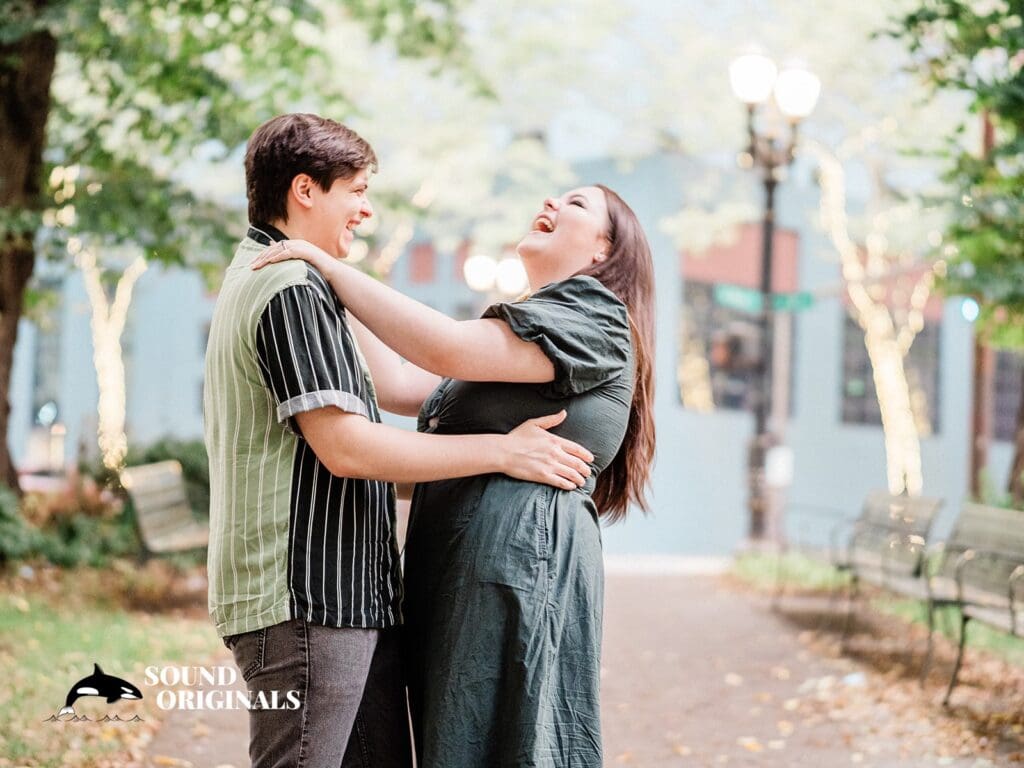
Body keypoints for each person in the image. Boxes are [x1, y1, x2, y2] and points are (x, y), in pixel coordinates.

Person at [204, 113, 596, 768]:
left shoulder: (300, 282)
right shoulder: (287, 286)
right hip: (307, 599)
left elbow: (402, 395)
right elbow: (348, 448)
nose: (365, 209)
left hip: (342, 599)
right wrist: (504, 451)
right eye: (355, 190)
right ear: (305, 190)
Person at [251, 182, 657, 767]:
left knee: (508, 745)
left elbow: (445, 347)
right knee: (464, 743)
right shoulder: (524, 337)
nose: (548, 203)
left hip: (516, 563)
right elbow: (396, 384)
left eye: (574, 204)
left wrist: (324, 265)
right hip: (471, 565)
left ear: (603, 249)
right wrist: (330, 276)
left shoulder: (595, 315)